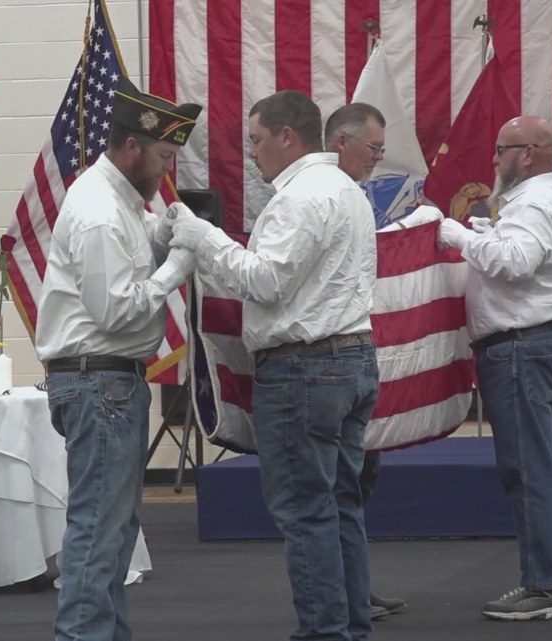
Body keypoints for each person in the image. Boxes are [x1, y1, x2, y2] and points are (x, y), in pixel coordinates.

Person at [170, 90, 380, 641]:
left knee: (306, 512)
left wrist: (203, 237)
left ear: (288, 136)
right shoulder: (347, 190)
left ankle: (325, 633)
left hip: (306, 369)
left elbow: (267, 282)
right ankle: (350, 627)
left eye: (257, 140)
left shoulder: (300, 198)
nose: (252, 153)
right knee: (340, 506)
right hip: (351, 358)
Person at [36, 76, 201, 641]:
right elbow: (115, 310)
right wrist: (176, 268)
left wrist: (163, 235)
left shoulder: (120, 203)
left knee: (114, 531)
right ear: (132, 146)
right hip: (99, 382)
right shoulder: (102, 211)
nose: (166, 170)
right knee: (100, 533)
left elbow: (125, 267)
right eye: (162, 156)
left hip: (106, 382)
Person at [435, 115, 552, 622]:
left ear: (529, 153)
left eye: (501, 150)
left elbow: (517, 262)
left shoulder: (538, 200)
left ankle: (545, 585)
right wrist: (484, 230)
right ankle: (545, 580)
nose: (493, 160)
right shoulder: (538, 200)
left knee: (530, 471)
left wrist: (457, 235)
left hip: (524, 347)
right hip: (535, 344)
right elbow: (519, 251)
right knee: (537, 468)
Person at [323, 102, 408, 621]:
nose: (380, 158)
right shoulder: (317, 198)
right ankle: (342, 600)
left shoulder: (358, 197)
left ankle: (355, 591)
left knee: (354, 483)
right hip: (325, 359)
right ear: (341, 142)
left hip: (354, 355)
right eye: (373, 148)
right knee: (334, 490)